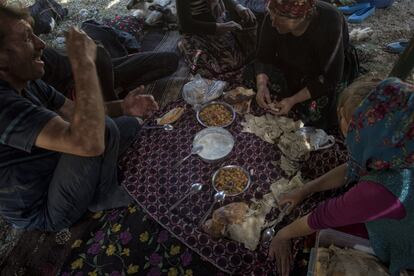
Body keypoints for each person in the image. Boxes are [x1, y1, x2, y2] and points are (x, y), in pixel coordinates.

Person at [0, 5, 159, 231]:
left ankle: (98, 180)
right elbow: (86, 141)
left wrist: (124, 106)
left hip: (58, 162)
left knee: (131, 125)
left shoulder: (28, 80)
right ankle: (102, 195)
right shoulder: (3, 106)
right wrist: (83, 63)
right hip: (46, 208)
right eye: (27, 38)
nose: (41, 44)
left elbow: (74, 111)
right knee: (100, 129)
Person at [269, 78, 414, 276]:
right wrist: (304, 190)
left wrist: (282, 235)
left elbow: (322, 217)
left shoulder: (382, 190)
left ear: (367, 131)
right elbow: (351, 168)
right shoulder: (397, 147)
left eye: (345, 118)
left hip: (397, 239)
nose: (340, 121)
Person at [254, 0, 349, 129]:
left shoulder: (330, 22)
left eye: (280, 19)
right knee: (254, 77)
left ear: (301, 17)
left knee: (315, 115)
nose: (273, 23)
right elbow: (263, 56)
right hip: (290, 61)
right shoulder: (275, 13)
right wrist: (261, 85)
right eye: (271, 15)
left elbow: (330, 77)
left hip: (320, 72)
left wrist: (293, 100)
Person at [176, 0, 257, 81]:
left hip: (217, 22)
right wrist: (217, 28)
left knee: (241, 59)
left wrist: (238, 6)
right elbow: (185, 24)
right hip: (197, 30)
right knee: (219, 67)